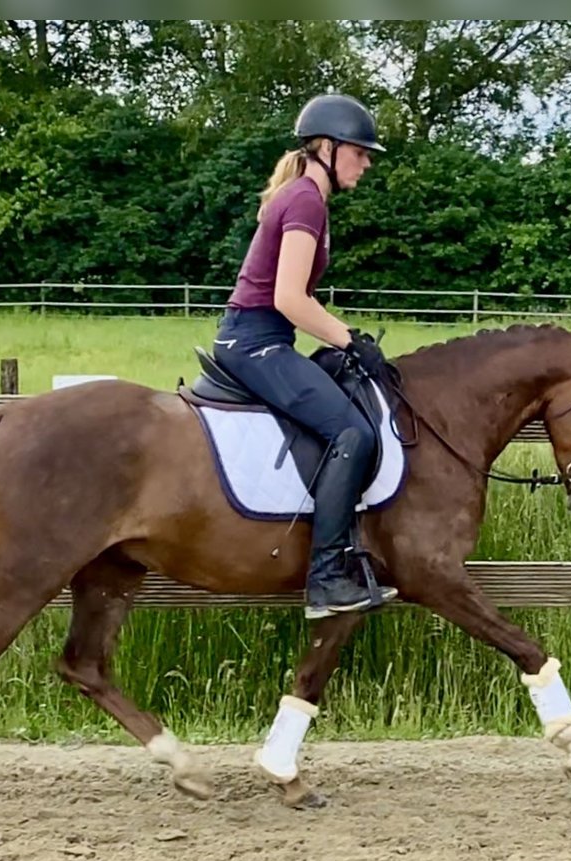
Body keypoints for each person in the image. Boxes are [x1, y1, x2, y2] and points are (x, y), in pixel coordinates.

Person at [211, 92, 399, 620]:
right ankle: (325, 580)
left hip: (264, 337)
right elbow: (289, 298)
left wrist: (345, 335)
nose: (366, 164)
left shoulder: (302, 196)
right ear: (329, 147)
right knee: (353, 432)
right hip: (255, 341)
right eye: (360, 153)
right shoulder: (306, 200)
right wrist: (347, 339)